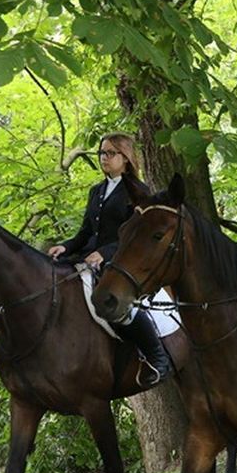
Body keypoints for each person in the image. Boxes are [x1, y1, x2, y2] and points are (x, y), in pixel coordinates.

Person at [47, 133, 170, 386]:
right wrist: (64, 246)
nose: (104, 158)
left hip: (122, 258)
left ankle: (157, 357)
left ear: (125, 158)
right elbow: (85, 233)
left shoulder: (138, 191)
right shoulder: (97, 191)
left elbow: (137, 235)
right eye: (101, 153)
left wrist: (105, 253)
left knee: (114, 298)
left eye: (110, 153)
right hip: (90, 254)